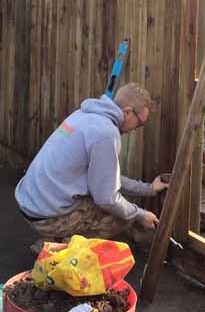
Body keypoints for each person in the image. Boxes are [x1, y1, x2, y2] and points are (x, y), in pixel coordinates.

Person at [15, 82, 168, 248]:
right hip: (46, 216)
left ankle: (57, 240)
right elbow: (106, 198)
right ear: (127, 112)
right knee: (121, 218)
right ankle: (57, 247)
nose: (137, 129)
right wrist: (140, 214)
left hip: (29, 202)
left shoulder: (83, 115)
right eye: (140, 124)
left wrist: (148, 189)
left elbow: (106, 177)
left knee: (120, 205)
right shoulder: (106, 134)